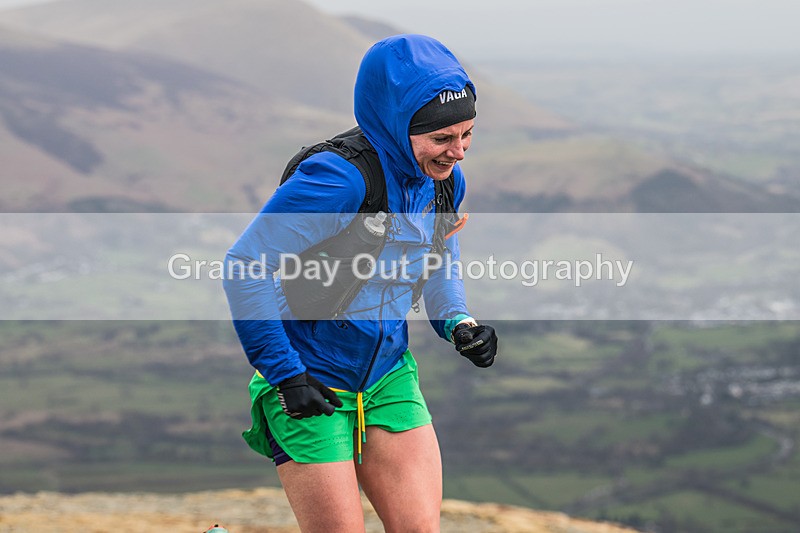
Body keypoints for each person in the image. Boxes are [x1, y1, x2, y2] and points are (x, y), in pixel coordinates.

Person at [223, 34, 498, 533]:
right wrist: (286, 375)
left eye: (468, 134)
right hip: (309, 375)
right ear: (396, 124)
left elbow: (439, 259)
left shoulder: (442, 181)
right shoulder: (338, 179)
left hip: (389, 375)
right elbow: (246, 266)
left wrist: (459, 321)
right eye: (442, 138)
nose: (458, 152)